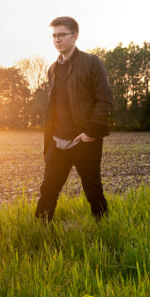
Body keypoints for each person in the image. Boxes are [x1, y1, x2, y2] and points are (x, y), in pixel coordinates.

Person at [35, 16, 113, 222]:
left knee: (93, 190)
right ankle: (38, 231)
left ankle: (105, 228)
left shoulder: (91, 62)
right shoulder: (52, 69)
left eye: (61, 35)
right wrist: (49, 141)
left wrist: (91, 132)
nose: (57, 40)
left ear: (75, 36)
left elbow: (104, 99)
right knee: (48, 190)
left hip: (84, 139)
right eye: (53, 36)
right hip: (57, 142)